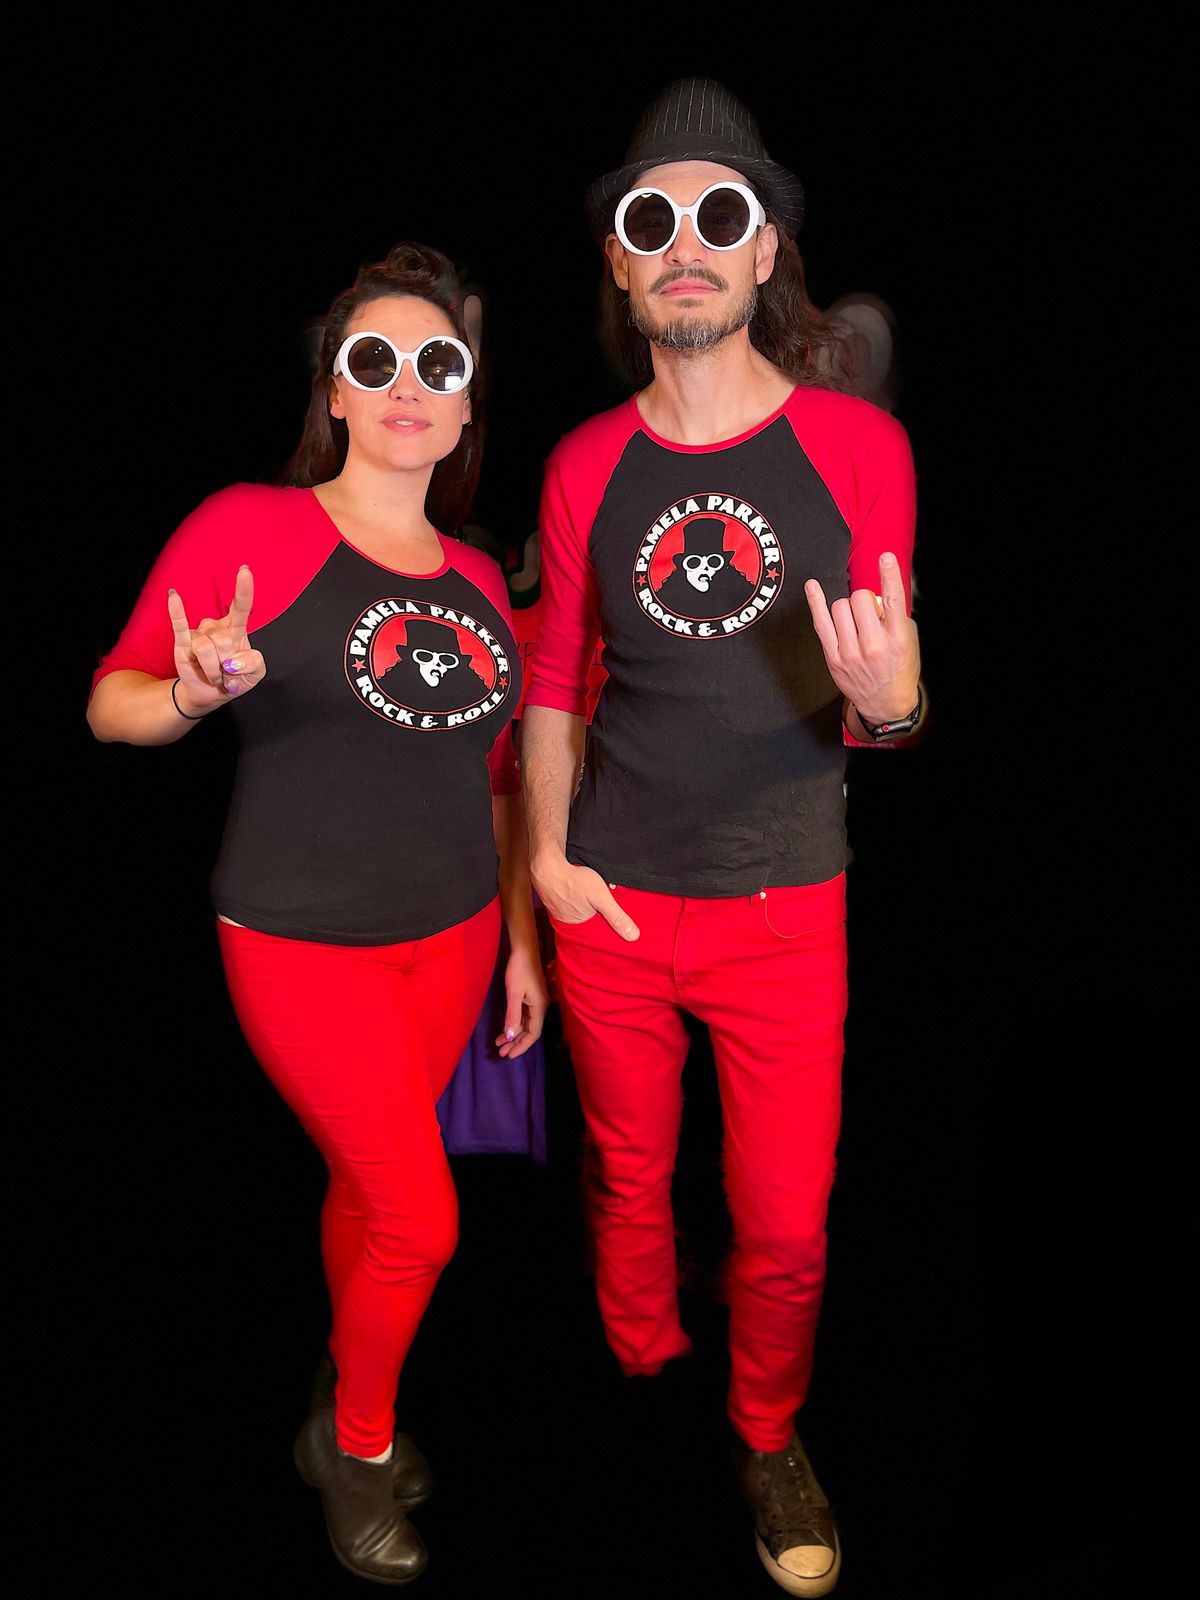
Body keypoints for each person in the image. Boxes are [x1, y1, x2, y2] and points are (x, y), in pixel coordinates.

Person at [87, 242, 547, 1587]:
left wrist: (521, 942)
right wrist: (191, 693)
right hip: (300, 948)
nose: (407, 384)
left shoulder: (478, 582)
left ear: (464, 405)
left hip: (453, 940)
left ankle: (344, 1393)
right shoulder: (252, 528)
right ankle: (353, 1447)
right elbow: (110, 704)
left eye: (436, 364)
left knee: (370, 1190)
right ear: (336, 391)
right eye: (374, 360)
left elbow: (497, 779)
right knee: (423, 1220)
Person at [519, 78, 925, 1598]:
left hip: (783, 913)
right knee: (626, 1179)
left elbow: (891, 697)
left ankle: (766, 1433)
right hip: (613, 907)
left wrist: (896, 704)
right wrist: (550, 868)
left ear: (765, 252)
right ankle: (640, 1363)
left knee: (786, 1227)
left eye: (720, 215)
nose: (685, 243)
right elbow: (552, 684)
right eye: (653, 219)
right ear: (622, 266)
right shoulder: (582, 465)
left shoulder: (856, 447)